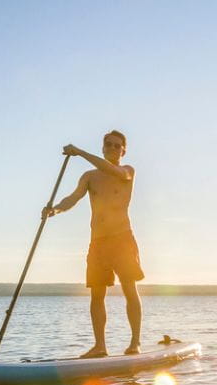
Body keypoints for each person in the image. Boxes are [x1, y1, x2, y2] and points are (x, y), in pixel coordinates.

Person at [43, 130, 144, 357]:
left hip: (122, 239)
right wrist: (55, 210)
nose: (111, 148)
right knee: (97, 295)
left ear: (123, 150)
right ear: (103, 147)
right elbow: (73, 198)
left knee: (129, 288)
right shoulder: (89, 177)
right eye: (107, 144)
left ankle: (135, 343)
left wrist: (79, 152)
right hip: (98, 243)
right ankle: (100, 347)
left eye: (116, 146)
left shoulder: (127, 172)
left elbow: (112, 169)